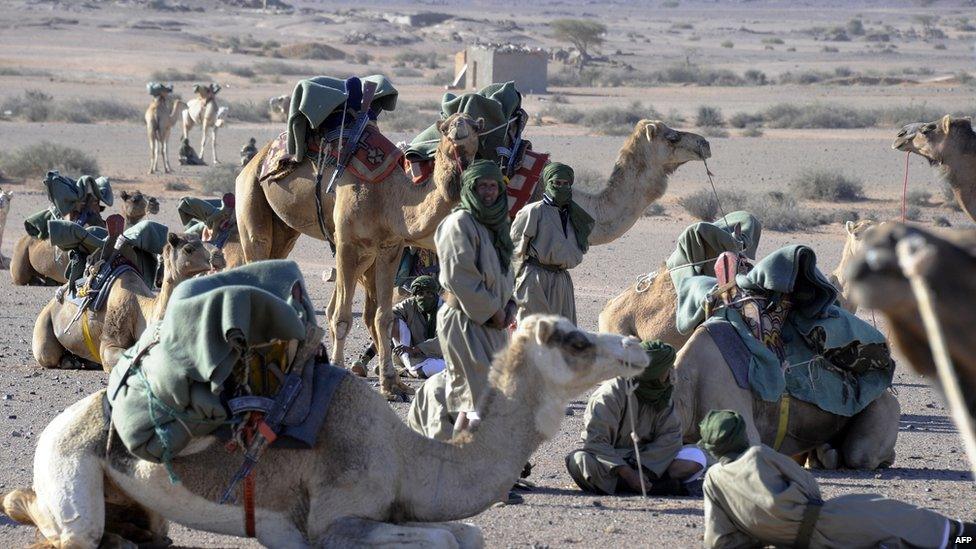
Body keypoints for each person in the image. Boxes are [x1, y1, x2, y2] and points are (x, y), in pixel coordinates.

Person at [699, 409, 976, 548]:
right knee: (897, 516)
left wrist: (764, 534)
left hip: (791, 543)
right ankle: (964, 538)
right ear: (741, 435)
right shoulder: (758, 454)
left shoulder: (712, 479)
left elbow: (718, 538)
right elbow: (809, 485)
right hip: (822, 521)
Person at [434, 159, 514, 434]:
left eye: (493, 186)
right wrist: (495, 310)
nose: (489, 192)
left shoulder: (496, 226)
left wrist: (510, 303)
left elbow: (505, 271)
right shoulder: (459, 223)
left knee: (482, 399)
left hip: (493, 322)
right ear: (471, 188)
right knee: (481, 401)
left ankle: (460, 461)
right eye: (482, 186)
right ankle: (463, 464)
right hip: (466, 321)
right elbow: (460, 276)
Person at [566, 340, 706, 496]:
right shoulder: (611, 394)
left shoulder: (662, 394)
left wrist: (643, 468)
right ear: (655, 372)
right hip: (610, 459)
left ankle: (630, 484)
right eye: (668, 369)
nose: (672, 372)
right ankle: (654, 486)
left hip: (646, 460)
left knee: (696, 457)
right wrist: (628, 473)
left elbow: (671, 437)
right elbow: (596, 442)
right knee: (579, 460)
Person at [510, 162, 593, 324]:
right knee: (534, 336)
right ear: (547, 184)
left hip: (562, 282)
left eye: (565, 184)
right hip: (535, 280)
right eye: (556, 183)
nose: (560, 187)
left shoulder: (575, 215)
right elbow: (514, 250)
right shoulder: (533, 211)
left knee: (563, 339)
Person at [390, 275, 445, 379]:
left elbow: (443, 341)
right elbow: (388, 317)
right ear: (415, 295)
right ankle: (408, 367)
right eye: (420, 294)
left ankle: (407, 372)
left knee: (436, 367)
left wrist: (417, 349)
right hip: (412, 356)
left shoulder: (445, 310)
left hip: (440, 356)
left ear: (435, 294)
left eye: (429, 293)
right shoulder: (410, 304)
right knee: (392, 322)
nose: (424, 297)